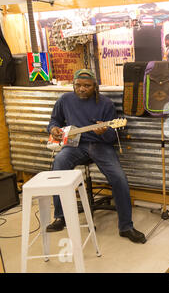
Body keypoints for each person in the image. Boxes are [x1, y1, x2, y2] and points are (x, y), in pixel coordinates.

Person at [46, 69, 147, 244]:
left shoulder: (106, 104)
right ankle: (60, 216)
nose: (82, 89)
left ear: (95, 87)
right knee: (59, 164)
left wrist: (103, 132)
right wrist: (53, 129)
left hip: (100, 146)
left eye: (87, 86)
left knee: (119, 178)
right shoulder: (65, 100)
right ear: (73, 85)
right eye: (78, 85)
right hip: (75, 145)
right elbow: (54, 121)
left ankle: (126, 226)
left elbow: (112, 137)